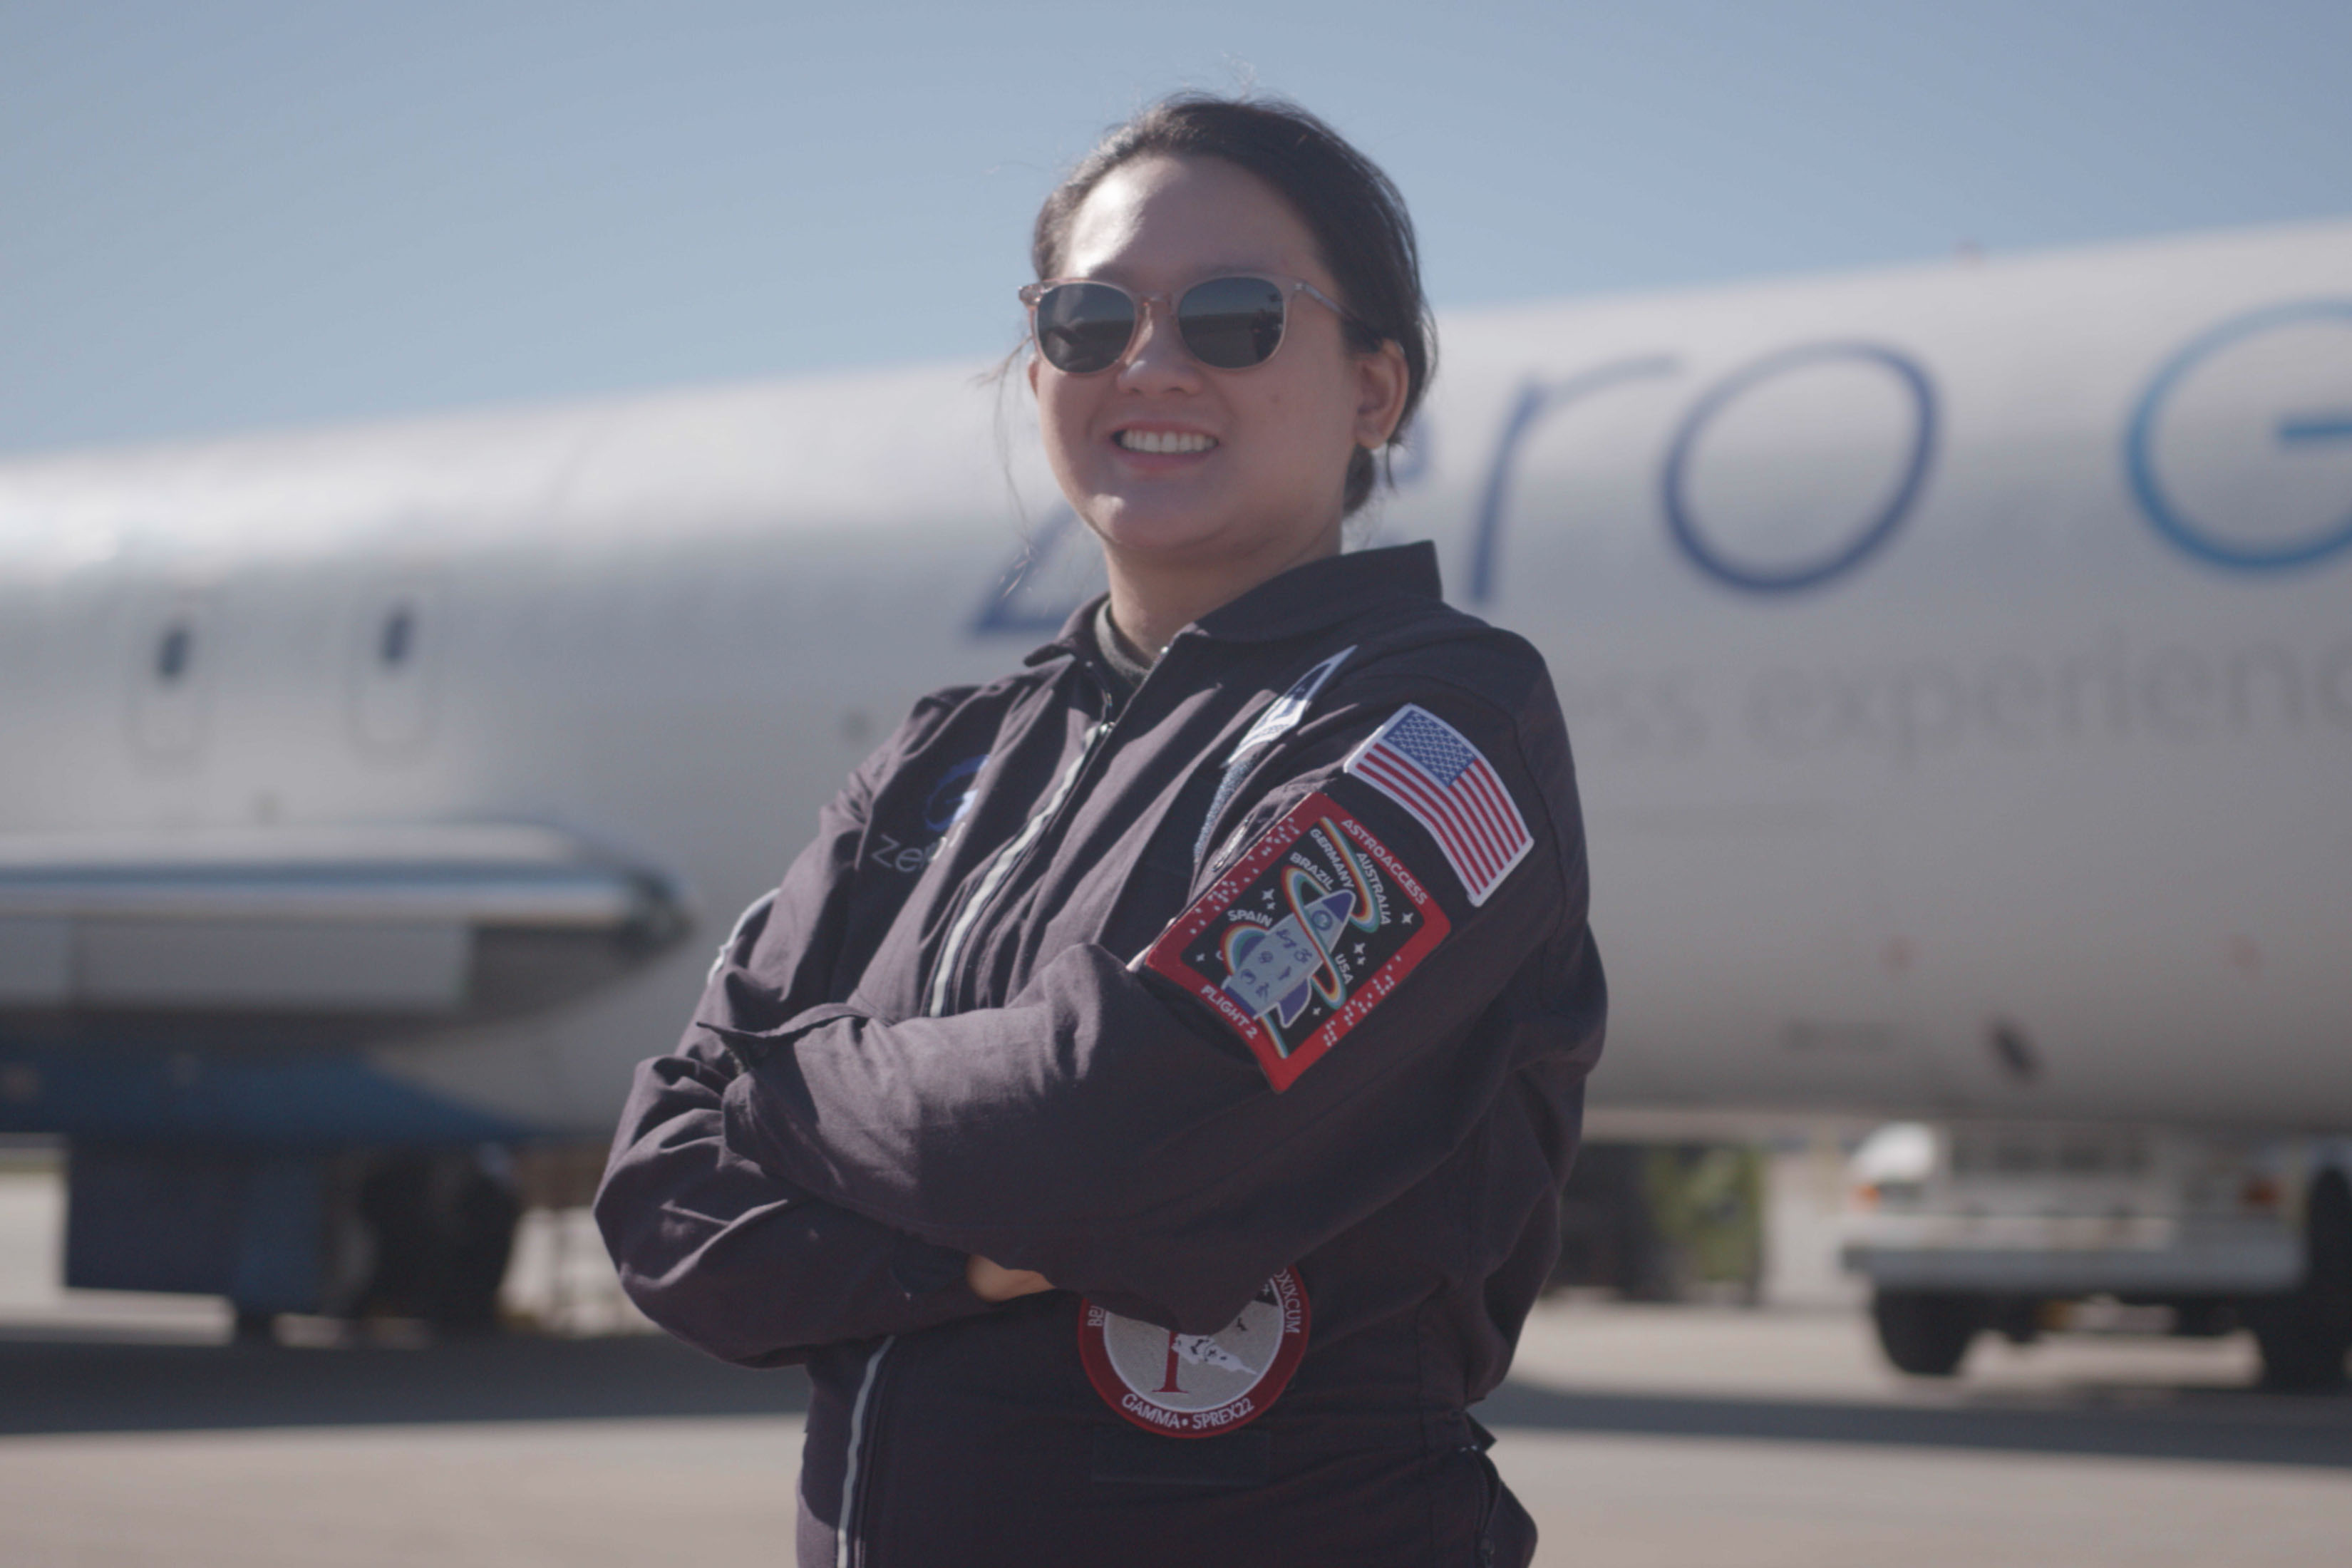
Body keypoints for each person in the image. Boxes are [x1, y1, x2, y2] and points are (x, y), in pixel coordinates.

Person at [594, 93, 1606, 1568]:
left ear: (1375, 390)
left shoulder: (1447, 733)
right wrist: (990, 1248)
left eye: (1234, 315)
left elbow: (1112, 1128)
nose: (1150, 361)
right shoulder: (945, 761)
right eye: (1087, 318)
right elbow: (663, 1207)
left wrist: (772, 1091)